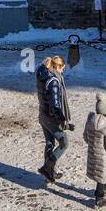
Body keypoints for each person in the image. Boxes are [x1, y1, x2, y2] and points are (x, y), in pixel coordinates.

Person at [35, 55, 72, 183]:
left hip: (42, 114)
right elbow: (55, 105)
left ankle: (49, 172)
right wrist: (62, 120)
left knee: (50, 142)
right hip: (50, 117)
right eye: (63, 67)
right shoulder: (54, 81)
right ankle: (47, 167)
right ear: (59, 67)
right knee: (64, 142)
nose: (64, 70)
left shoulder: (43, 73)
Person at [83, 94, 106, 208]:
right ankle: (99, 197)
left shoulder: (90, 121)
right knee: (102, 175)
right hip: (104, 155)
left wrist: (92, 145)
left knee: (104, 173)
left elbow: (85, 137)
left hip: (93, 152)